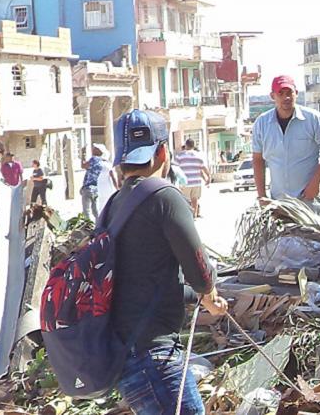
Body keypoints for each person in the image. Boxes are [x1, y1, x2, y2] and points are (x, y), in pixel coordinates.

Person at [107, 109, 227, 415]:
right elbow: (200, 273)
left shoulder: (112, 205)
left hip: (125, 355)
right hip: (154, 358)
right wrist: (209, 297)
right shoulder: (165, 196)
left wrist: (194, 297)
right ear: (163, 151)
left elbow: (143, 281)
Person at [252, 75, 320, 214]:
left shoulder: (313, 119)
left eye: (289, 93)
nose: (286, 98)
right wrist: (261, 195)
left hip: (306, 202)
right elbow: (257, 159)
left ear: (296, 94)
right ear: (272, 96)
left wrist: (315, 183)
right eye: (280, 94)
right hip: (277, 203)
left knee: (311, 235)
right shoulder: (262, 124)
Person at [175, 139, 211, 218]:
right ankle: (194, 216)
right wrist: (208, 177)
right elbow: (203, 168)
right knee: (195, 200)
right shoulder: (198, 155)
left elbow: (175, 169)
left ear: (186, 145)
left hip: (184, 182)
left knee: (185, 200)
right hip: (196, 182)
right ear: (193, 145)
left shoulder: (179, 156)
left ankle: (187, 216)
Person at [81, 145, 106, 221]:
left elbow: (83, 165)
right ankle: (99, 225)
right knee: (96, 210)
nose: (93, 149)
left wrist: (83, 155)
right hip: (96, 188)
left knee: (86, 210)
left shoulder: (94, 159)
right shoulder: (102, 162)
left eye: (95, 148)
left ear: (98, 151)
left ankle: (88, 226)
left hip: (88, 188)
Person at [94, 144, 118, 215]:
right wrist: (117, 188)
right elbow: (113, 177)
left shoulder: (95, 164)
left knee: (100, 206)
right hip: (106, 188)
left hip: (99, 188)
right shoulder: (108, 165)